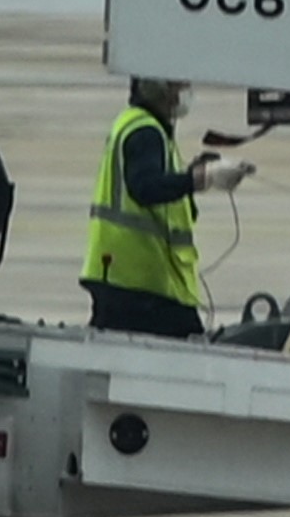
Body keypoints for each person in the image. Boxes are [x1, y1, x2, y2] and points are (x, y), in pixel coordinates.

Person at [83, 80, 244, 336]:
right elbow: (145, 187)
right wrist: (201, 179)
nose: (183, 92)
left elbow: (158, 191)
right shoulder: (145, 131)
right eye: (176, 85)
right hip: (138, 283)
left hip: (129, 279)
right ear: (156, 87)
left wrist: (193, 174)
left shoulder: (137, 125)